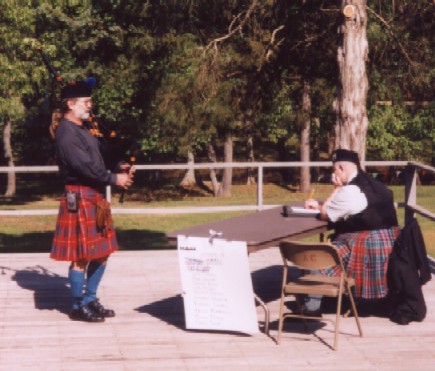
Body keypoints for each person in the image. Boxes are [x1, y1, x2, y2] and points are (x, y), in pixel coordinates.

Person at [50, 81, 134, 322]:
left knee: (102, 252)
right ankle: (77, 306)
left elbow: (98, 160)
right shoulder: (66, 132)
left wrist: (119, 166)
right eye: (86, 102)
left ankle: (89, 299)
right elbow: (83, 168)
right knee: (82, 256)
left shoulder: (84, 129)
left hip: (94, 196)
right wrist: (114, 179)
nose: (90, 105)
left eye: (89, 101)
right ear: (70, 104)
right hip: (79, 195)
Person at [303, 149, 400, 315]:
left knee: (315, 260)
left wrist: (336, 188)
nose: (334, 174)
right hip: (389, 242)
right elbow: (347, 208)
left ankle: (311, 309)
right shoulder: (376, 184)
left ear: (341, 168)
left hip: (364, 244)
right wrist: (320, 206)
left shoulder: (349, 191)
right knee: (332, 246)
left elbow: (327, 214)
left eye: (334, 170)